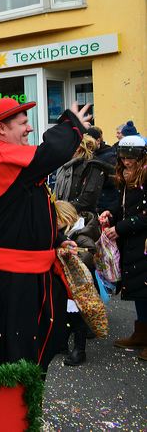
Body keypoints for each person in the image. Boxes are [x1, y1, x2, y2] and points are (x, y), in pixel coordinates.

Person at [0, 98, 91, 372]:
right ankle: (14, 412)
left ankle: (22, 409)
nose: (29, 129)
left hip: (26, 277)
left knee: (32, 353)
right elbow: (53, 152)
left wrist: (56, 239)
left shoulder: (8, 158)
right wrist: (70, 122)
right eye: (22, 123)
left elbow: (28, 209)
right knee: (16, 359)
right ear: (0, 128)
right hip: (13, 282)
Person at [99, 135, 147, 362]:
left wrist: (121, 227)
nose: (127, 162)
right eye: (124, 157)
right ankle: (141, 333)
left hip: (143, 243)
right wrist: (111, 214)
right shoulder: (127, 176)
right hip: (133, 242)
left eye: (131, 158)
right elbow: (124, 206)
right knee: (139, 289)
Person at [54, 200, 100, 367]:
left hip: (79, 285)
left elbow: (89, 254)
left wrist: (72, 256)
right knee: (65, 314)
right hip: (67, 283)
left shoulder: (81, 234)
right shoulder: (69, 233)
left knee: (77, 318)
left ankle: (79, 349)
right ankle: (62, 343)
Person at [53, 134, 107, 213]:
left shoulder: (93, 166)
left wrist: (65, 207)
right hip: (66, 214)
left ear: (79, 148)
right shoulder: (67, 165)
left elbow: (88, 199)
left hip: (83, 218)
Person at [88, 126, 119, 214]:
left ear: (98, 141)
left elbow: (115, 180)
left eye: (90, 142)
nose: (88, 146)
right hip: (98, 203)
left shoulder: (109, 156)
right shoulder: (92, 155)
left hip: (107, 205)